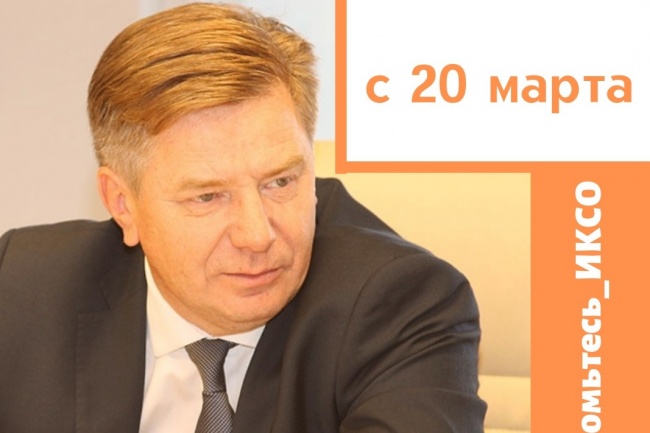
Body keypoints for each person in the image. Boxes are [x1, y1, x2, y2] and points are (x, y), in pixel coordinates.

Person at [0, 2, 486, 432]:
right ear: (123, 204)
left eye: (281, 182)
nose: (257, 235)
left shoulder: (402, 304)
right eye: (208, 197)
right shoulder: (20, 289)